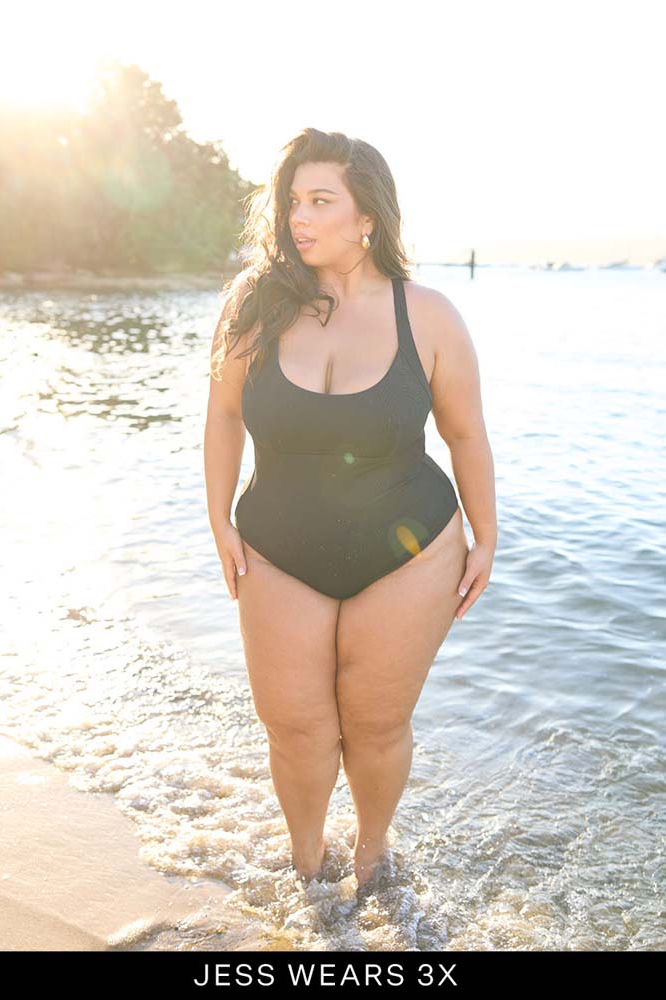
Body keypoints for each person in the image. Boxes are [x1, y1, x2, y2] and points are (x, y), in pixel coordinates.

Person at [204, 127, 497, 889]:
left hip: (409, 549)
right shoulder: (254, 305)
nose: (298, 218)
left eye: (319, 201)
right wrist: (218, 522)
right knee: (296, 729)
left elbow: (464, 433)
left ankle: (371, 859)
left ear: (365, 215)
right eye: (293, 201)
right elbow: (224, 415)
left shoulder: (426, 315)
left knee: (373, 726)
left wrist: (486, 537)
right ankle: (306, 869)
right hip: (277, 545)